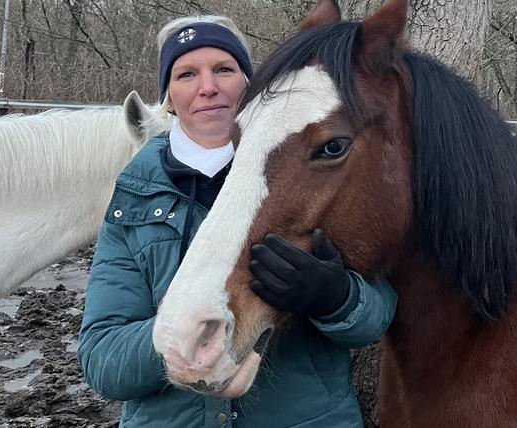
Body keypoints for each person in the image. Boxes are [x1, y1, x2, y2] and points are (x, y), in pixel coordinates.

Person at [77, 16, 397, 427]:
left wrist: (334, 297)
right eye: (187, 74)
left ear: (250, 86)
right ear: (169, 98)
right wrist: (186, 334)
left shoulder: (308, 168)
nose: (207, 87)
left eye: (224, 70)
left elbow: (378, 314)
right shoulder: (132, 199)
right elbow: (102, 358)